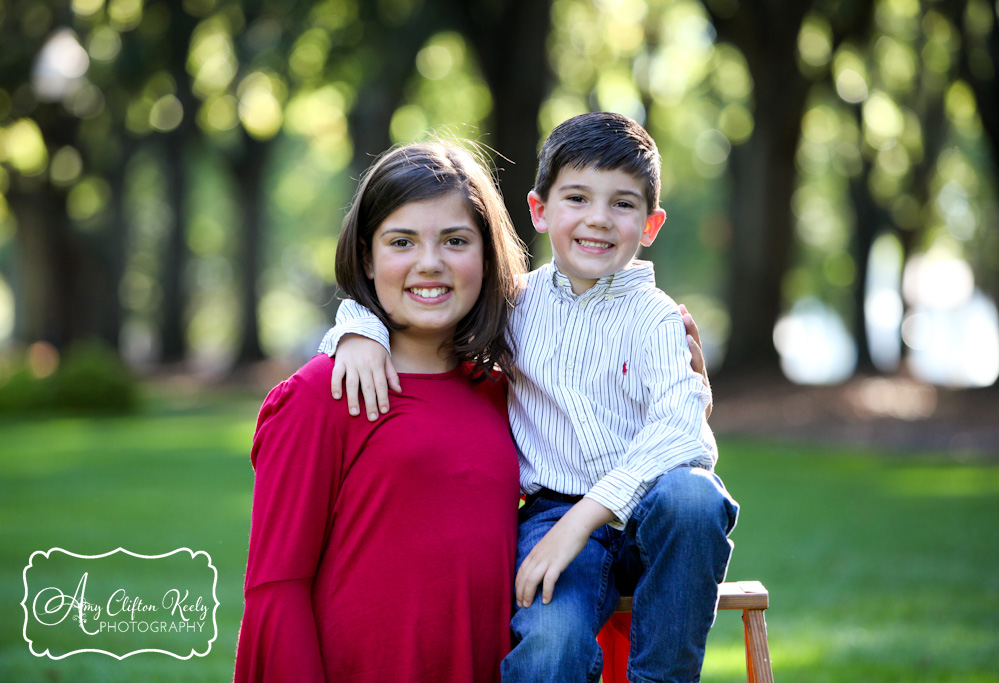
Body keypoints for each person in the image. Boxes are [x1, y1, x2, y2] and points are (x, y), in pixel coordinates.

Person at [319, 112, 739, 683]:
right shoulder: (515, 306)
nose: (598, 219)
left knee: (694, 497)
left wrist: (588, 518)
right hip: (551, 513)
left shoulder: (657, 319)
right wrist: (356, 329)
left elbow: (687, 431)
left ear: (651, 224)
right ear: (539, 210)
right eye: (577, 198)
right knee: (549, 646)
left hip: (650, 521)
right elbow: (432, 305)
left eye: (622, 203)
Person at [233, 141, 530, 683]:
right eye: (402, 241)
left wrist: (678, 376)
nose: (430, 263)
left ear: (486, 255)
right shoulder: (323, 395)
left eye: (456, 240)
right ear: (367, 257)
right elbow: (278, 588)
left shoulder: (505, 391)